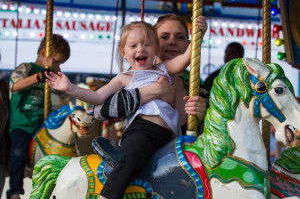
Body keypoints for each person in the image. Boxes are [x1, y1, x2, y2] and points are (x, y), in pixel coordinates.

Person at [46, 20, 205, 199]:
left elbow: (186, 59)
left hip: (168, 137)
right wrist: (70, 88)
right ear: (124, 52)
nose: (140, 49)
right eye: (133, 45)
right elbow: (98, 98)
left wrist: (199, 33)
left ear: (155, 49)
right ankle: (108, 195)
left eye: (146, 44)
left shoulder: (163, 70)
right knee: (132, 158)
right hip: (142, 130)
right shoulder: (124, 78)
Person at [94, 14, 209, 135]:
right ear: (153, 43)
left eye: (180, 38)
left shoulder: (199, 92)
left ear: (189, 44)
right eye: (164, 37)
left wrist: (201, 119)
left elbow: (215, 138)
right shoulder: (129, 81)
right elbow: (98, 111)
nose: (172, 42)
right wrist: (154, 90)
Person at [7, 34, 70, 199]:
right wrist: (38, 76)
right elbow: (15, 85)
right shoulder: (26, 68)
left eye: (60, 64)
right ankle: (14, 191)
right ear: (44, 53)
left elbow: (63, 91)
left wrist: (55, 72)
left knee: (59, 151)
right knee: (19, 152)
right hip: (22, 122)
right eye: (56, 61)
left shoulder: (50, 73)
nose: (57, 66)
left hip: (41, 124)